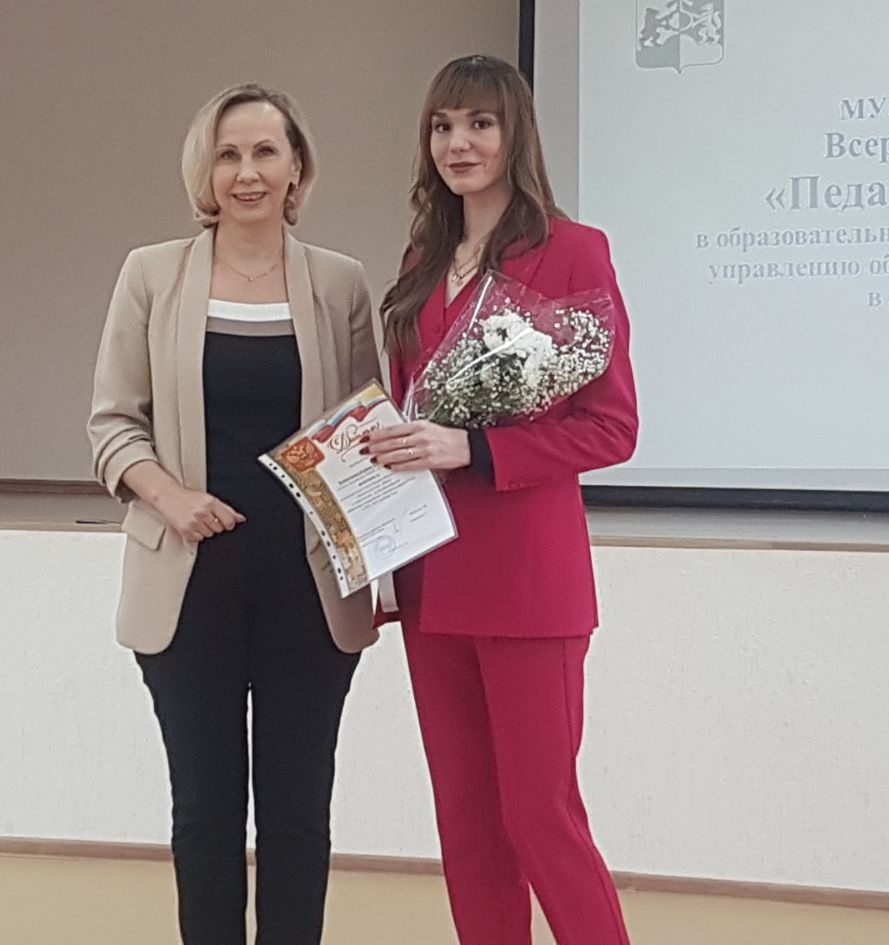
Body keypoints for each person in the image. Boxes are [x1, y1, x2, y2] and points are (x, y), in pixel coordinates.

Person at [86, 84, 379, 945]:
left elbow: (365, 434)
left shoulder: (340, 282)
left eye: (264, 152)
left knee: (298, 815)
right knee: (205, 813)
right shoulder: (151, 273)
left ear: (297, 168)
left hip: (309, 590)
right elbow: (112, 423)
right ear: (205, 172)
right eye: (228, 154)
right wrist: (170, 496)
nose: (246, 172)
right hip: (188, 588)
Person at [367, 54, 637, 945]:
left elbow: (612, 429)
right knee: (467, 822)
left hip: (526, 579)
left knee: (539, 814)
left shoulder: (573, 250)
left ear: (515, 133)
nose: (459, 143)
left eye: (479, 123)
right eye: (442, 126)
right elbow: (410, 411)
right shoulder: (420, 261)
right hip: (431, 577)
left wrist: (475, 448)